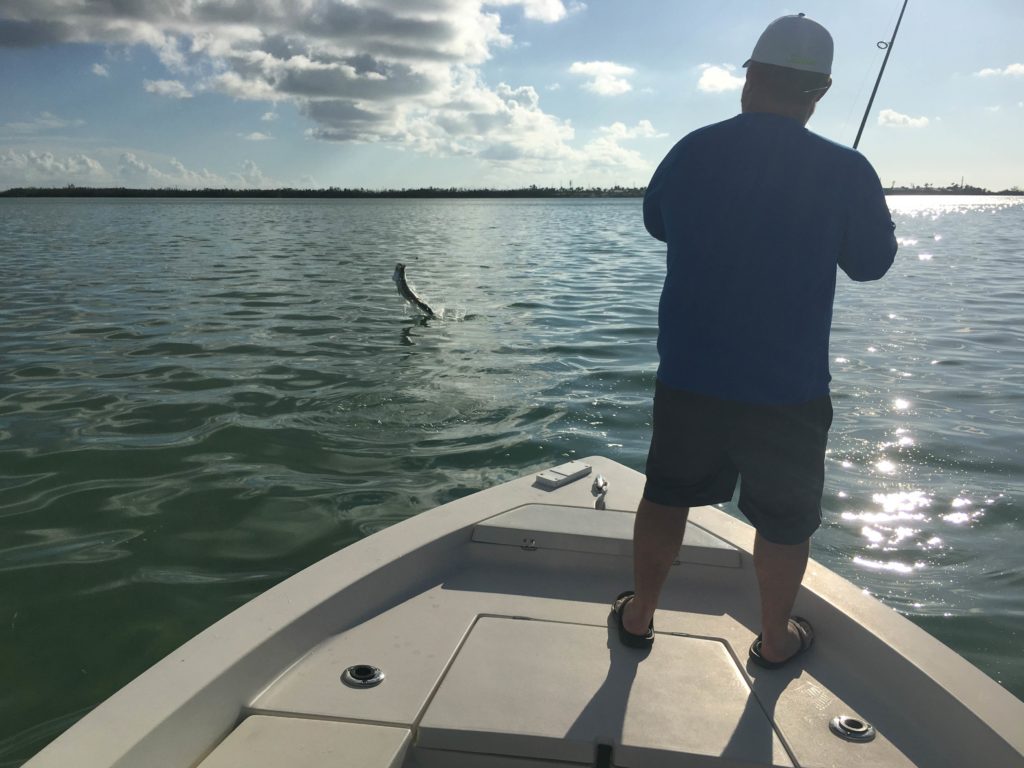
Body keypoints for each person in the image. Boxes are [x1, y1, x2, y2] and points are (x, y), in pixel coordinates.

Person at [612, 13, 898, 667]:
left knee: (666, 496)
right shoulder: (844, 168)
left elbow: (659, 222)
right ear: (819, 91)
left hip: (690, 377)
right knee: (784, 521)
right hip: (789, 391)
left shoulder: (691, 151)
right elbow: (871, 263)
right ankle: (774, 642)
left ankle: (638, 616)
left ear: (750, 78)